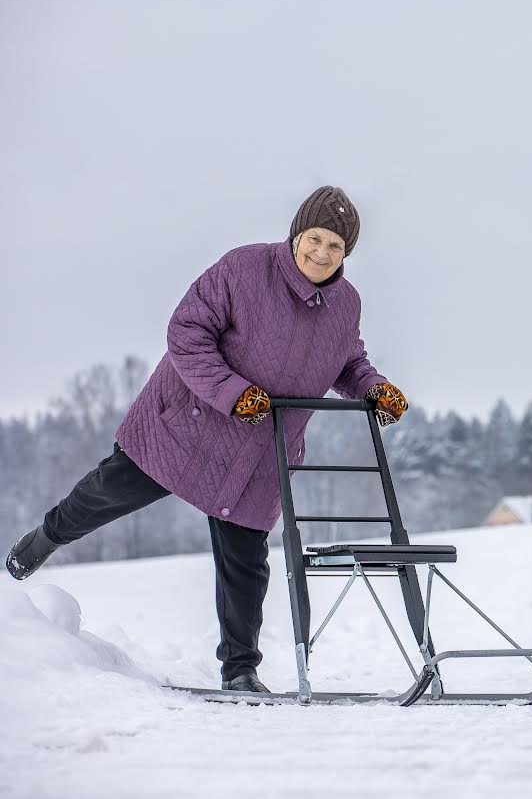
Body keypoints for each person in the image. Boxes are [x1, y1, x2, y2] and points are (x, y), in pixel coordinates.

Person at [6, 186, 409, 693]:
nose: (322, 253)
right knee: (106, 493)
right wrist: (233, 393)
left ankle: (240, 671)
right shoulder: (244, 269)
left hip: (262, 448)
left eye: (335, 245)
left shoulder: (346, 303)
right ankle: (44, 539)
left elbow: (348, 361)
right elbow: (187, 332)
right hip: (191, 424)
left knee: (246, 563)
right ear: (296, 234)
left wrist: (374, 388)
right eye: (315, 239)